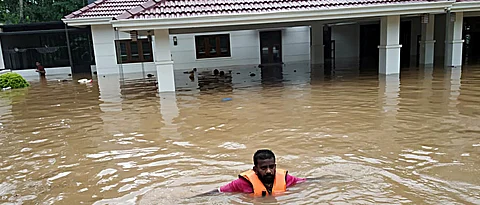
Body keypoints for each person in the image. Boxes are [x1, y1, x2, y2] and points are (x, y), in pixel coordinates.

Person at [198, 149, 307, 197]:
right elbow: (218, 192)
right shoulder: (242, 183)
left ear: (275, 166)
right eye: (263, 168)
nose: (268, 171)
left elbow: (306, 183)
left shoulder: (285, 178)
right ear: (255, 169)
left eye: (271, 167)